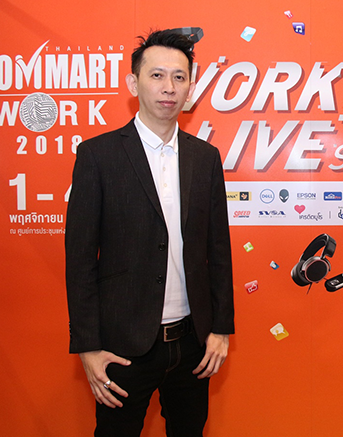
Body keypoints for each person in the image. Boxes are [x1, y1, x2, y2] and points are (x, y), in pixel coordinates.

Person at [65, 29, 234, 437]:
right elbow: (80, 258)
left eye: (179, 77)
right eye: (157, 75)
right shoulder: (97, 155)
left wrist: (221, 329)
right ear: (133, 82)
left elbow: (218, 250)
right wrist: (87, 346)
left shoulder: (205, 157)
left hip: (193, 343)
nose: (169, 87)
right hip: (123, 346)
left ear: (190, 86)